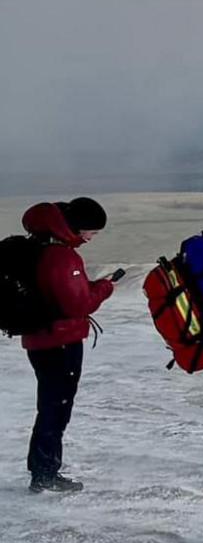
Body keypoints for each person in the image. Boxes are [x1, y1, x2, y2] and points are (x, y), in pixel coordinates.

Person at [19, 199, 117, 493]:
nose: (90, 238)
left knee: (49, 402)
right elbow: (79, 304)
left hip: (39, 338)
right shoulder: (63, 256)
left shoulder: (37, 248)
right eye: (92, 232)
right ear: (79, 227)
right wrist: (105, 287)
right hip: (60, 341)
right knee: (56, 406)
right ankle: (45, 472)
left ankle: (43, 468)